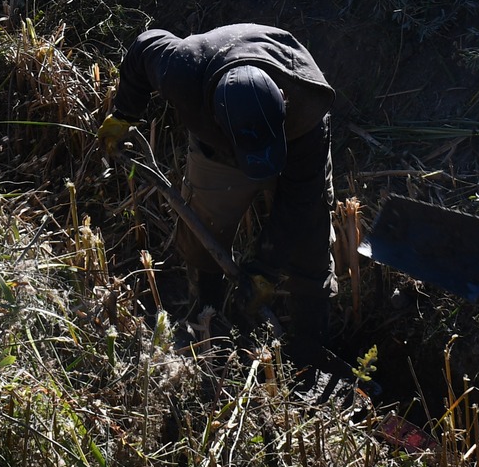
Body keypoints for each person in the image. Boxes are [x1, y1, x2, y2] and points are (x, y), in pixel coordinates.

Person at [101, 23, 337, 363]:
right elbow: (143, 46)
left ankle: (311, 345)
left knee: (309, 237)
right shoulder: (183, 70)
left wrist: (265, 267)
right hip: (218, 150)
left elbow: (300, 201)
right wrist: (124, 113)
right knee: (206, 227)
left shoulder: (306, 106)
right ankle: (208, 319)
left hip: (295, 145)